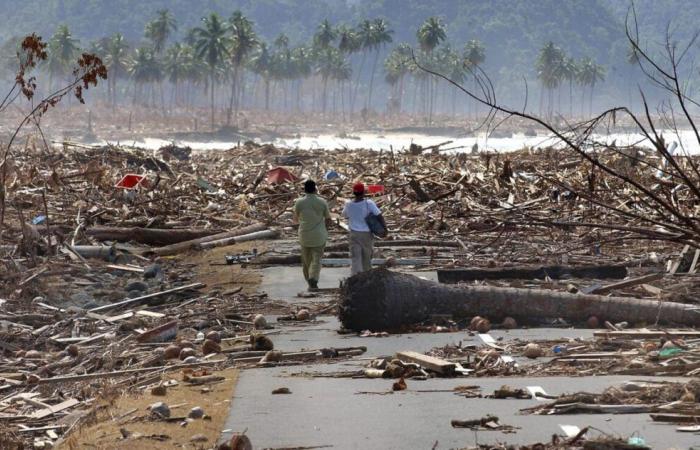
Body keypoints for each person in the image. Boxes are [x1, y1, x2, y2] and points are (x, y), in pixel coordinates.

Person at [293, 179, 331, 290]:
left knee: (306, 261)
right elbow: (328, 219)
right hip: (319, 235)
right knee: (317, 259)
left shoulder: (299, 202)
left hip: (304, 234)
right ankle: (313, 278)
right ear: (315, 189)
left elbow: (295, 219)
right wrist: (325, 228)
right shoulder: (322, 202)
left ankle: (309, 280)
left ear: (304, 190)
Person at [342, 182, 386, 275]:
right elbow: (379, 215)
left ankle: (355, 278)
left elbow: (345, 215)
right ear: (363, 192)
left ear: (353, 193)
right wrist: (385, 229)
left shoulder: (348, 204)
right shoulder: (368, 203)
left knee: (356, 259)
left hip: (354, 234)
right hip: (366, 234)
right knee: (366, 258)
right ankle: (367, 278)